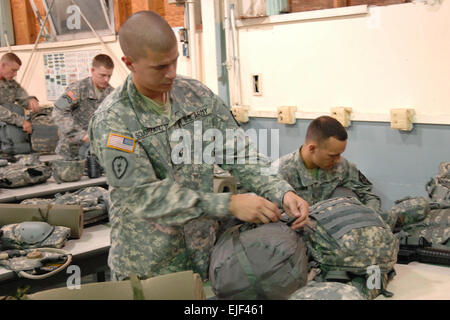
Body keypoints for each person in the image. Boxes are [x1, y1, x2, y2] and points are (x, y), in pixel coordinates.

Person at [88, 11, 310, 281]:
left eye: (174, 62)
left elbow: (238, 152)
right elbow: (143, 197)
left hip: (204, 256)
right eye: (160, 67)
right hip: (151, 268)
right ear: (130, 63)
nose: (172, 74)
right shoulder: (114, 120)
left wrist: (281, 191)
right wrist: (228, 204)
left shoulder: (195, 96)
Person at [272, 115, 381, 212]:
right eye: (332, 155)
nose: (338, 160)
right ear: (312, 148)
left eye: (340, 154)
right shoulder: (278, 171)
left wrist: (368, 216)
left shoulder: (342, 166)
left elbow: (369, 195)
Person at [52, 54, 114, 159]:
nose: (106, 80)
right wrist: (81, 135)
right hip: (71, 151)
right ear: (92, 70)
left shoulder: (112, 93)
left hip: (96, 153)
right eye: (102, 75)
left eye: (109, 76)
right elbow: (58, 111)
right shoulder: (77, 89)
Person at [0, 53, 40, 135]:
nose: (15, 74)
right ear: (3, 65)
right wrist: (21, 121)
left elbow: (22, 97)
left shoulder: (10, 83)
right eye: (13, 70)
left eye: (17, 71)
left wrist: (30, 101)